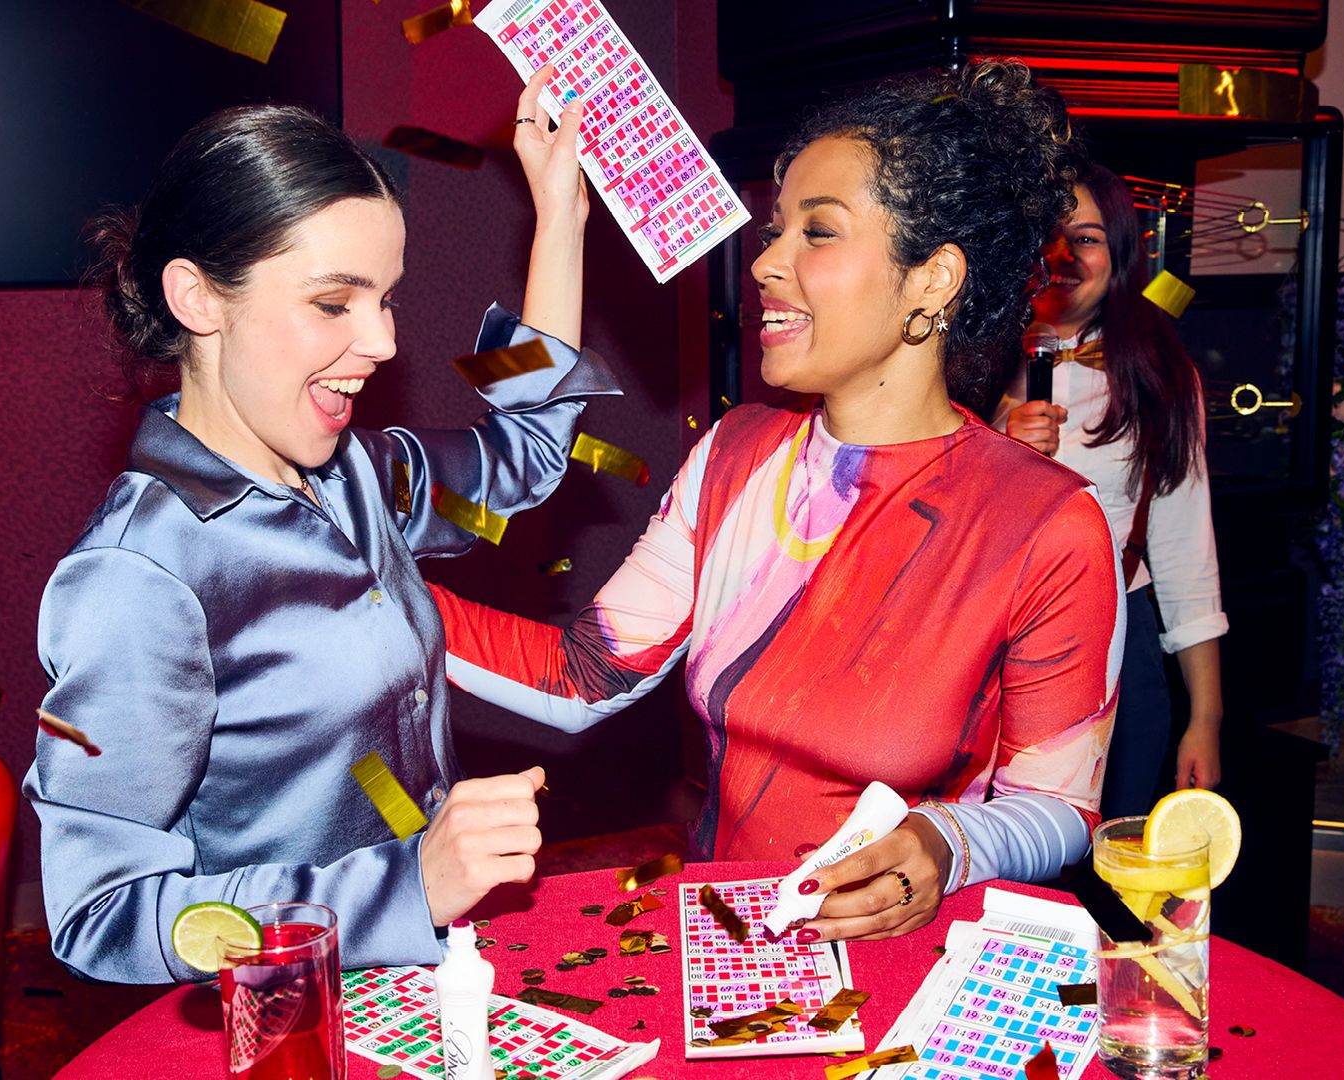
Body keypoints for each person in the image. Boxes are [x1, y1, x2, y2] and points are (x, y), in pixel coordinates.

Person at [430, 61, 1124, 946]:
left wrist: (948, 843)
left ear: (933, 278)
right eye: (774, 231)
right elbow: (582, 676)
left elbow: (1060, 808)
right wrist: (352, 591)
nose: (764, 262)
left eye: (817, 232)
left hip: (907, 962)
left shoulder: (1045, 523)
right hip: (724, 944)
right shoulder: (737, 454)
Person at [23, 70, 616, 983]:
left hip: (415, 995)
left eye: (386, 300)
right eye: (335, 303)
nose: (382, 342)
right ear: (197, 299)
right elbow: (104, 914)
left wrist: (560, 218)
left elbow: (520, 455)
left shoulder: (356, 475)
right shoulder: (138, 574)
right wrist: (407, 885)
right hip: (281, 1029)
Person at [999, 163, 1226, 819]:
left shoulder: (1159, 374)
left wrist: (1205, 718)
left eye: (1087, 238)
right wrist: (994, 441)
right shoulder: (964, 362)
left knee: (1106, 848)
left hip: (1121, 643)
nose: (1064, 255)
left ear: (1119, 254)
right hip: (992, 648)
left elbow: (1185, 549)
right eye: (1048, 234)